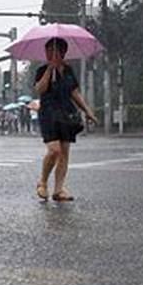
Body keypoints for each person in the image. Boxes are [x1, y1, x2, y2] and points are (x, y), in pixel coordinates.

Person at [34, 37, 98, 202]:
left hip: (66, 114)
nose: (50, 54)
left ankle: (58, 190)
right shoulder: (42, 70)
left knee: (64, 153)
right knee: (54, 150)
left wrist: (88, 111)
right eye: (48, 51)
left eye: (54, 51)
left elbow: (75, 93)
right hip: (48, 114)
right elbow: (40, 89)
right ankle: (42, 182)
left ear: (62, 53)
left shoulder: (68, 71)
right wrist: (50, 70)